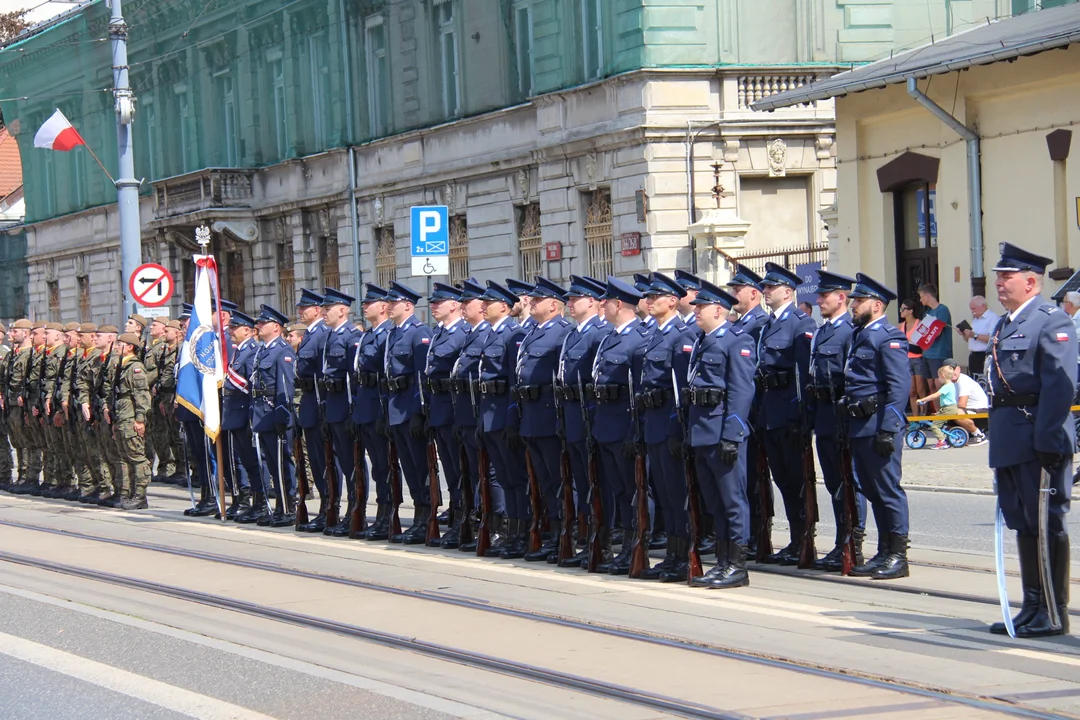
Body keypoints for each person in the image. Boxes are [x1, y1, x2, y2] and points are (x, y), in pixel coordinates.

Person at [986, 243, 1075, 638]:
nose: (1000, 283)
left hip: (1038, 434)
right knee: (1022, 520)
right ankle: (1033, 603)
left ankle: (1054, 612)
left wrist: (1049, 439)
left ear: (1030, 281)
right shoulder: (1008, 322)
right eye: (998, 277)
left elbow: (1060, 384)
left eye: (1006, 277)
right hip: (1009, 434)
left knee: (1046, 521)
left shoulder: (1051, 319)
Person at [686, 281, 756, 589]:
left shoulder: (735, 341)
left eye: (701, 307)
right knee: (714, 503)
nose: (696, 311)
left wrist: (732, 433)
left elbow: (741, 392)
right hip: (702, 433)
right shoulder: (703, 340)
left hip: (722, 435)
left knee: (732, 501)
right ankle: (722, 561)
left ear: (718, 309)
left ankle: (737, 565)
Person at [845, 274, 912, 580]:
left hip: (878, 426)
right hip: (860, 425)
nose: (853, 305)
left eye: (858, 301)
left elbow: (899, 388)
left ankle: (898, 555)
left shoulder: (889, 337)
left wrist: (889, 428)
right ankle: (884, 550)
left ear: (875, 304)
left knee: (887, 490)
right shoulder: (860, 335)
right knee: (872, 489)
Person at [807, 270, 866, 571]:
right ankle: (840, 540)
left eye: (824, 295)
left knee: (850, 482)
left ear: (841, 297)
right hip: (823, 417)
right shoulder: (821, 332)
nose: (818, 300)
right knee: (833, 483)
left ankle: (852, 543)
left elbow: (852, 378)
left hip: (843, 418)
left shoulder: (849, 331)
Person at [757, 262, 815, 565]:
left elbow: (805, 375)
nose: (765, 291)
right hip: (770, 411)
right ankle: (794, 539)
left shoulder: (800, 323)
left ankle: (804, 538)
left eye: (771, 287)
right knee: (782, 480)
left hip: (789, 414)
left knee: (796, 480)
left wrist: (801, 415)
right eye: (765, 287)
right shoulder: (769, 324)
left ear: (788, 292)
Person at [591, 276, 649, 571]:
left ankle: (636, 545)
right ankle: (626, 547)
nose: (602, 305)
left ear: (617, 304)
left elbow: (639, 392)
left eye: (606, 301)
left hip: (626, 428)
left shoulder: (639, 339)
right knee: (619, 491)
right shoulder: (610, 337)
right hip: (606, 427)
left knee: (633, 490)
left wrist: (634, 431)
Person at [516, 276, 573, 562]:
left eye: (537, 300)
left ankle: (565, 534)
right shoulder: (534, 331)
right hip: (531, 416)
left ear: (553, 305)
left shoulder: (562, 332)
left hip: (550, 416)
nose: (531, 303)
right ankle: (552, 534)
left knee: (559, 480)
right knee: (545, 482)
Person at [555, 275, 609, 567]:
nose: (569, 304)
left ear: (592, 301)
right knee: (581, 482)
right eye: (569, 299)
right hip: (573, 418)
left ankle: (603, 542)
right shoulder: (574, 334)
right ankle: (589, 542)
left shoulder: (598, 334)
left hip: (590, 419)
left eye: (575, 299)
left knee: (596, 483)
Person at [383, 281, 434, 544]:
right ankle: (417, 516)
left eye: (393, 303)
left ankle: (427, 518)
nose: (388, 307)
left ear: (407, 305)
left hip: (409, 409)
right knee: (409, 469)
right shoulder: (393, 334)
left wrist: (418, 411)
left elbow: (420, 377)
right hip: (395, 409)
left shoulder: (418, 332)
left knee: (420, 467)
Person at [424, 282, 469, 547]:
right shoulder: (438, 333)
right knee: (450, 470)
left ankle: (465, 518)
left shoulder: (462, 333)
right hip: (438, 408)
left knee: (463, 469)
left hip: (454, 408)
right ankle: (456, 514)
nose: (433, 306)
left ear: (454, 304)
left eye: (439, 302)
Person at [351, 285, 396, 541]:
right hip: (365, 409)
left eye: (370, 304)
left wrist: (383, 413)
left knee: (386, 465)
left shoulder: (388, 334)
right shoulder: (369, 335)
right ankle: (381, 514)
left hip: (380, 408)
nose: (365, 307)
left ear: (382, 307)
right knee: (377, 467)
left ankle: (390, 513)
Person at [250, 305, 299, 527]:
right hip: (262, 413)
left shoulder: (283, 350)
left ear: (277, 328)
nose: (258, 326)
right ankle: (278, 505)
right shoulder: (263, 350)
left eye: (263, 323)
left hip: (276, 414)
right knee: (271, 462)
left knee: (282, 462)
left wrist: (283, 415)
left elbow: (285, 387)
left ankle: (288, 506)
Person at [320, 287, 362, 537]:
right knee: (344, 464)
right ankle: (346, 509)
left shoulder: (350, 337)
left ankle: (355, 511)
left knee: (353, 464)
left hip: (345, 408)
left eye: (329, 309)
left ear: (343, 310)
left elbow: (353, 378)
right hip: (332, 407)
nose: (324, 313)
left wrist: (351, 411)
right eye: (323, 309)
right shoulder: (329, 336)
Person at [294, 288, 332, 533]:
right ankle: (325, 506)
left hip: (320, 403)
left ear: (316, 310)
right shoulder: (310, 334)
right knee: (316, 461)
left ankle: (331, 507)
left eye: (304, 308)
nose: (300, 311)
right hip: (308, 402)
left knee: (325, 460)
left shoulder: (322, 334)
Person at [113, 332, 152, 510]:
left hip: (131, 418)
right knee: (125, 457)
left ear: (130, 347)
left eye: (120, 344)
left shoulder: (135, 368)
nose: (116, 347)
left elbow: (142, 395)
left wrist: (140, 419)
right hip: (122, 417)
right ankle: (128, 493)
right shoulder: (122, 366)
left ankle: (140, 495)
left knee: (137, 457)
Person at [941, 358, 988, 444]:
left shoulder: (963, 381)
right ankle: (961, 435)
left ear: (958, 369)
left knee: (955, 413)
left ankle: (979, 435)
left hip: (982, 413)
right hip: (971, 411)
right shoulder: (951, 383)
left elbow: (962, 404)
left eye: (953, 369)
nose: (952, 373)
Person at [916, 365, 959, 450]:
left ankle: (941, 442)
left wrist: (923, 399)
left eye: (938, 376)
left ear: (943, 376)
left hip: (948, 408)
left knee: (934, 425)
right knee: (938, 420)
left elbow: (935, 395)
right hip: (949, 408)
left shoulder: (946, 387)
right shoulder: (951, 385)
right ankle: (944, 438)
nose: (938, 378)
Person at [918, 284, 953, 390]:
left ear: (927, 296)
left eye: (921, 296)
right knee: (931, 385)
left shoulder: (942, 310)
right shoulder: (927, 312)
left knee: (940, 384)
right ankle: (936, 407)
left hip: (939, 353)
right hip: (927, 353)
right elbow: (922, 331)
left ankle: (944, 407)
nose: (920, 300)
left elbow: (936, 332)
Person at [899, 299, 931, 415]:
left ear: (910, 311)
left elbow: (923, 342)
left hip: (918, 358)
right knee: (911, 391)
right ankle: (915, 418)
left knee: (921, 389)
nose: (901, 311)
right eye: (900, 309)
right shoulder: (900, 326)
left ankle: (923, 417)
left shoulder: (919, 324)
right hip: (906, 359)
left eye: (903, 309)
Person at [958, 295, 999, 377]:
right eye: (971, 309)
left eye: (974, 308)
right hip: (973, 355)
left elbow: (993, 339)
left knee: (983, 380)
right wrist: (964, 334)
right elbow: (970, 340)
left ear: (983, 306)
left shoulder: (993, 318)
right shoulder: (975, 320)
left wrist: (975, 335)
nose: (972, 311)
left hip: (984, 355)